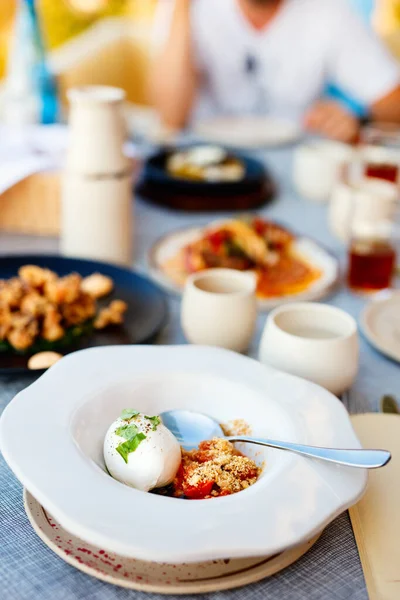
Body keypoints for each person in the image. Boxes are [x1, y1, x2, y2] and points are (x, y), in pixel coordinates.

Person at [150, 0, 400, 142]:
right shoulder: (187, 7)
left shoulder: (330, 12)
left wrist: (356, 120)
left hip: (291, 166)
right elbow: (170, 118)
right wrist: (182, 6)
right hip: (201, 160)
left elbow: (393, 100)